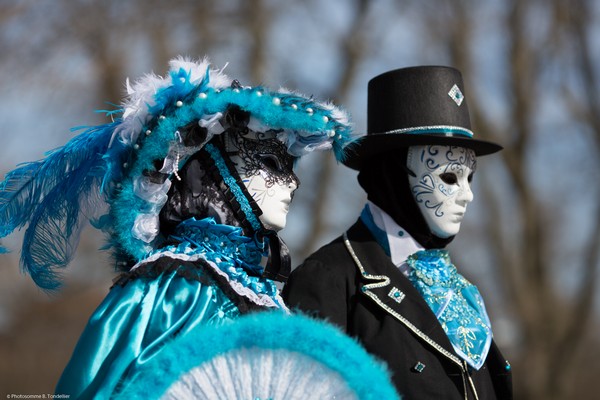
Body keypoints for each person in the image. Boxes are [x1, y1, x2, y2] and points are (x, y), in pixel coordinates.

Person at [0, 57, 383, 398]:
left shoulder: (264, 294)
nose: (292, 183)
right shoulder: (173, 288)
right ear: (213, 170)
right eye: (270, 163)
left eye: (291, 168)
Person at [283, 66, 513, 399]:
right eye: (450, 177)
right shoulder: (330, 280)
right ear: (393, 175)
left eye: (469, 177)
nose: (467, 195)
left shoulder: (462, 291)